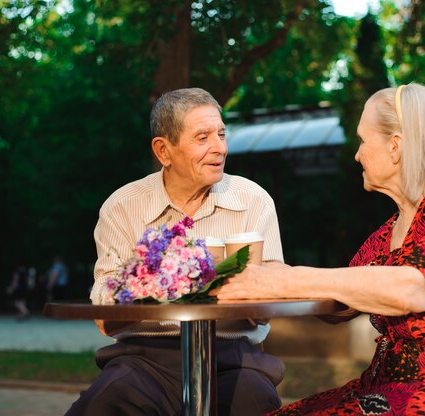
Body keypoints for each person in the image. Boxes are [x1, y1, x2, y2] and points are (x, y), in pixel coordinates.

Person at [213, 83, 425, 415]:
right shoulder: (386, 234)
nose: (356, 154)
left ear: (395, 146)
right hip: (392, 383)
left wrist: (288, 279)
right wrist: (262, 287)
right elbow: (339, 303)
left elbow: (411, 289)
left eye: (363, 141)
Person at [66, 87, 285, 415]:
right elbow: (105, 318)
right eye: (203, 137)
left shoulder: (254, 200)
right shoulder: (124, 206)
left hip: (233, 358)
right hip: (144, 359)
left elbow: (270, 306)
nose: (220, 148)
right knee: (102, 404)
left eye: (221, 134)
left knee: (253, 401)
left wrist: (250, 285)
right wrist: (153, 279)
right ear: (164, 151)